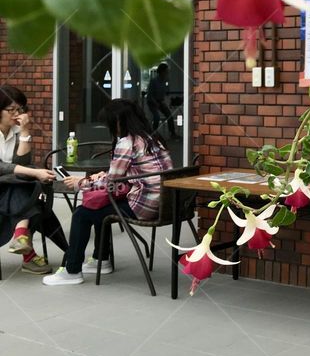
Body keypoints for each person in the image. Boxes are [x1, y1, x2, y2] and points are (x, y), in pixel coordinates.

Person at [43, 99, 173, 286]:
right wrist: (105, 177)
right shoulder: (153, 139)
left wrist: (82, 182)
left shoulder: (127, 143)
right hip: (166, 204)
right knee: (100, 206)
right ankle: (101, 260)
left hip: (144, 206)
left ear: (119, 121)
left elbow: (112, 184)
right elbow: (134, 173)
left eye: (110, 123)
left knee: (82, 213)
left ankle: (72, 271)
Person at [0, 85, 66, 274]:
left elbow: (22, 163)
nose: (16, 114)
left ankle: (22, 239)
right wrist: (36, 173)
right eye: (10, 109)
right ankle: (28, 251)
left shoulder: (15, 132)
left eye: (19, 109)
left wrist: (25, 132)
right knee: (31, 189)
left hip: (10, 189)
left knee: (25, 186)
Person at [146, 63, 177, 139]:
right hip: (152, 101)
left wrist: (162, 102)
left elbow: (163, 94)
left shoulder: (164, 81)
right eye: (166, 72)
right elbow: (150, 95)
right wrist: (156, 103)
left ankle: (172, 133)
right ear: (162, 72)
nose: (167, 74)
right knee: (157, 117)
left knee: (169, 115)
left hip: (159, 101)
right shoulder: (154, 81)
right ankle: (153, 134)